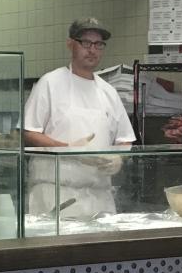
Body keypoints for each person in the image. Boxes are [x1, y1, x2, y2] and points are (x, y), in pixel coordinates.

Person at [23, 18, 135, 217]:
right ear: (70, 44)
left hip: (99, 197)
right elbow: (30, 133)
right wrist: (68, 150)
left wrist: (118, 157)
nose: (92, 50)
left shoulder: (108, 91)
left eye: (99, 44)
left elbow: (125, 139)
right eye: (86, 43)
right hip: (55, 193)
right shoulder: (50, 83)